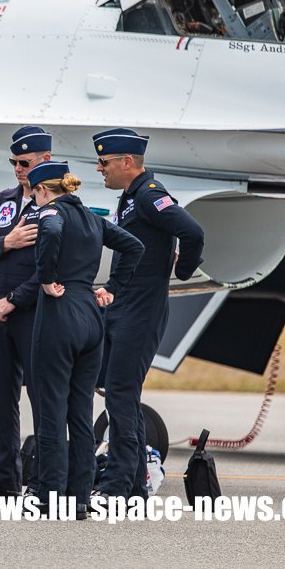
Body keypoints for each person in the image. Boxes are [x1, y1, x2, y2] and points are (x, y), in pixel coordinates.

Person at [91, 128, 204, 502]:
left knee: (121, 396)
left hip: (142, 309)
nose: (99, 168)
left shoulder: (149, 196)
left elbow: (192, 232)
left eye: (104, 162)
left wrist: (182, 270)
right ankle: (134, 484)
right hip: (126, 305)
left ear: (127, 162)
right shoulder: (131, 198)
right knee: (119, 394)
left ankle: (119, 487)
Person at [29, 160, 144, 518]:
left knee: (51, 412)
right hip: (91, 317)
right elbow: (134, 247)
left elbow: (48, 230)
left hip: (59, 313)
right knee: (80, 414)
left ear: (44, 191)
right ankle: (79, 499)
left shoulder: (52, 214)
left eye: (35, 195)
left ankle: (50, 499)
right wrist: (112, 288)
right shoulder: (94, 219)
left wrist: (46, 277)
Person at [0, 125, 51, 496]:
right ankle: (6, 480)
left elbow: (50, 267)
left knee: (40, 397)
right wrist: (6, 242)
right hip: (0, 307)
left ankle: (41, 481)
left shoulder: (54, 205)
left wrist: (16, 300)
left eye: (24, 162)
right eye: (13, 161)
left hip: (35, 309)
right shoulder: (3, 201)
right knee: (2, 399)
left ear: (44, 160)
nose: (17, 168)